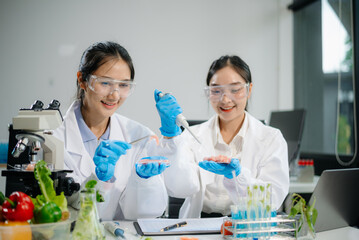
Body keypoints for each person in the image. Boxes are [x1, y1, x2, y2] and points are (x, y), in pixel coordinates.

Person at [156, 55, 289, 218]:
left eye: (235, 90)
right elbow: (180, 188)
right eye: (216, 90)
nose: (225, 99)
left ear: (249, 89)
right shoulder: (192, 136)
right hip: (199, 227)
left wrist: (238, 177)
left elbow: (272, 199)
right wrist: (171, 139)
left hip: (246, 226)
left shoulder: (271, 138)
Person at [53, 41, 170, 221]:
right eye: (105, 82)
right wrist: (99, 180)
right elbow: (59, 214)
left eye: (123, 85)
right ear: (82, 80)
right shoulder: (54, 140)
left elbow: (145, 215)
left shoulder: (139, 136)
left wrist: (143, 181)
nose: (114, 95)